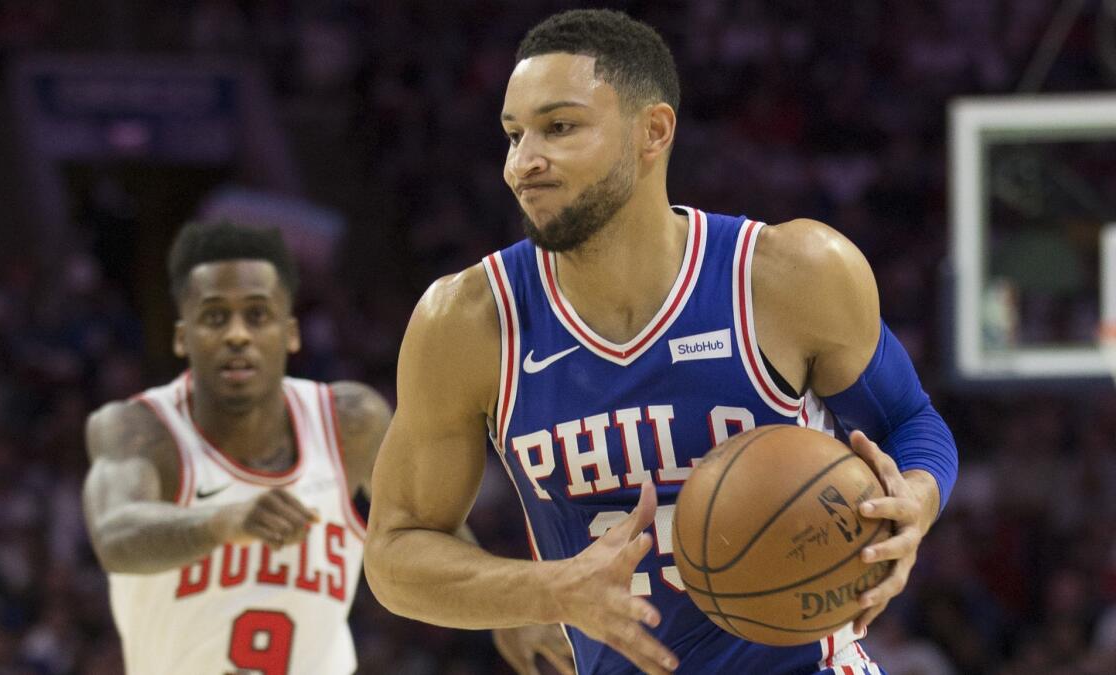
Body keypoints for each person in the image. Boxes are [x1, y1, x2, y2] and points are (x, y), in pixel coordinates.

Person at [364, 9, 957, 675]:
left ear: (653, 131)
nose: (522, 163)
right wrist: (545, 589)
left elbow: (911, 420)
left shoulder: (791, 274)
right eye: (513, 135)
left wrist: (914, 502)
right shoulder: (468, 321)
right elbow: (394, 551)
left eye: (559, 127)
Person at [82, 221, 568, 674]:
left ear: (289, 332)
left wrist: (510, 611)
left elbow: (429, 526)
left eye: (257, 315)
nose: (236, 335)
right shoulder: (139, 430)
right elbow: (115, 533)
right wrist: (223, 521)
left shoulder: (348, 422)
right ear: (183, 338)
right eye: (214, 318)